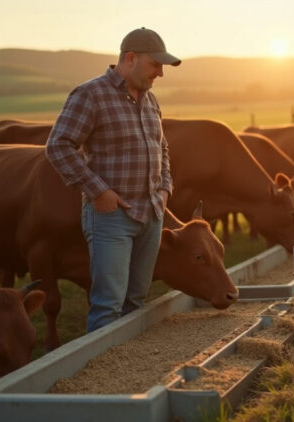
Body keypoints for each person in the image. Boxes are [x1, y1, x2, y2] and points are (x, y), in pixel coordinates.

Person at [46, 27, 180, 332]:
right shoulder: (90, 94)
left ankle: (126, 372)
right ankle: (99, 376)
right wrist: (99, 192)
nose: (160, 73)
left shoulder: (151, 100)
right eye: (155, 64)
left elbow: (162, 147)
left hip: (152, 213)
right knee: (109, 304)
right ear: (130, 58)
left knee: (136, 300)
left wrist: (165, 188)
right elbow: (58, 145)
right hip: (112, 217)